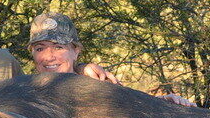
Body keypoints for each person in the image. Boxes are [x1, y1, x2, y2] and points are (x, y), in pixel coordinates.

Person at [28, 11, 196, 107]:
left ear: (76, 50)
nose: (49, 57)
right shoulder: (23, 93)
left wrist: (162, 103)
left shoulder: (101, 84)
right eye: (40, 48)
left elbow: (131, 104)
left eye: (58, 47)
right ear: (32, 53)